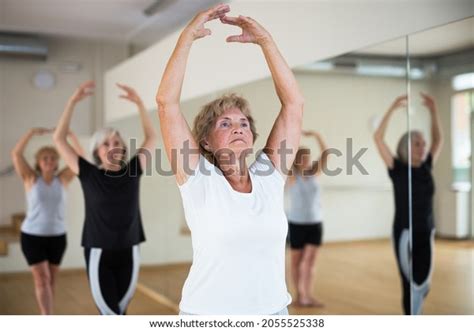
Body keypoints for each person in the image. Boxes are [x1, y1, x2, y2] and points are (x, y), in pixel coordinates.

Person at [156, 4, 304, 315]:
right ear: (206, 141)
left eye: (243, 123)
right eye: (225, 124)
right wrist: (185, 38)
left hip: (274, 313)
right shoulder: (198, 179)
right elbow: (166, 103)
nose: (238, 127)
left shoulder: (268, 176)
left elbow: (293, 104)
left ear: (252, 136)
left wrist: (266, 41)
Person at [53, 81, 157, 315]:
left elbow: (151, 137)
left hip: (130, 249)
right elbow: (59, 139)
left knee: (121, 311)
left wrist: (140, 104)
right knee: (109, 314)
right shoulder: (88, 173)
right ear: (97, 151)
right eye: (106, 143)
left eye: (117, 142)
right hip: (99, 250)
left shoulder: (133, 170)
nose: (113, 146)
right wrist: (72, 102)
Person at [373, 93, 443, 314]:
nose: (423, 147)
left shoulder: (427, 166)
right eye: (417, 144)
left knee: (424, 285)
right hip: (405, 233)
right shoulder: (397, 169)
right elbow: (378, 138)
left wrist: (433, 111)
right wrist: (393, 108)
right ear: (406, 147)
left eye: (423, 144)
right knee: (411, 283)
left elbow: (438, 140)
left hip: (427, 232)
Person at [11, 127, 84, 314]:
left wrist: (72, 136)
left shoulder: (64, 179)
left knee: (51, 281)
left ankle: (47, 313)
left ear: (57, 162)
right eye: (45, 158)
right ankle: (47, 318)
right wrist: (31, 133)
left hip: (58, 237)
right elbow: (16, 154)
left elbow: (80, 158)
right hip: (32, 237)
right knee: (41, 279)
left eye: (53, 158)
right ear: (38, 162)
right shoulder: (30, 179)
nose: (49, 161)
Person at [286, 130, 328, 307]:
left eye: (308, 157)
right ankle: (299, 295)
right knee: (297, 261)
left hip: (315, 223)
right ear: (296, 160)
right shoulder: (291, 177)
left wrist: (317, 135)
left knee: (309, 262)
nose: (307, 160)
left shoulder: (314, 173)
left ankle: (307, 295)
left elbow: (326, 154)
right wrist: (293, 140)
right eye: (303, 157)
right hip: (296, 224)